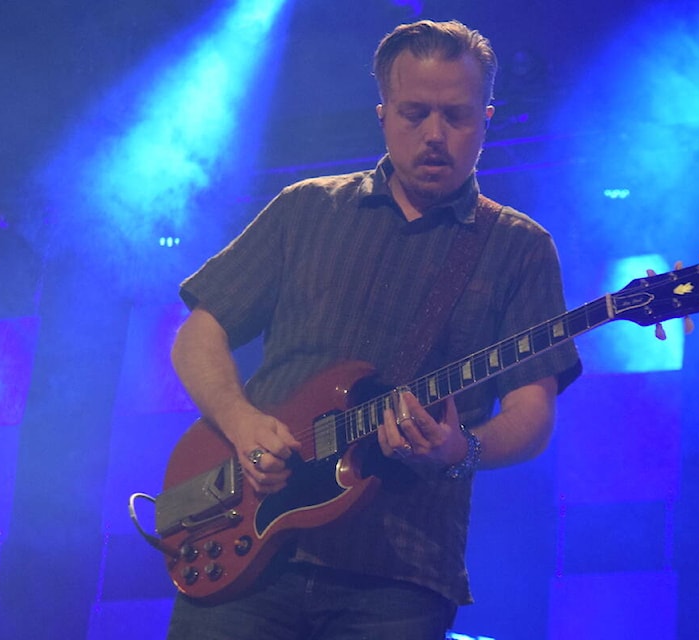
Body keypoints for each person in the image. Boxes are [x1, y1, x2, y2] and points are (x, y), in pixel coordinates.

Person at [166, 19, 581, 640]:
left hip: (400, 575)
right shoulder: (308, 207)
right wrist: (242, 423)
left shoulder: (519, 248)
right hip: (250, 548)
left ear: (487, 117)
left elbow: (531, 414)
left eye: (456, 116)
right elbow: (198, 333)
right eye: (415, 113)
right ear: (382, 113)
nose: (435, 135)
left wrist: (457, 449)